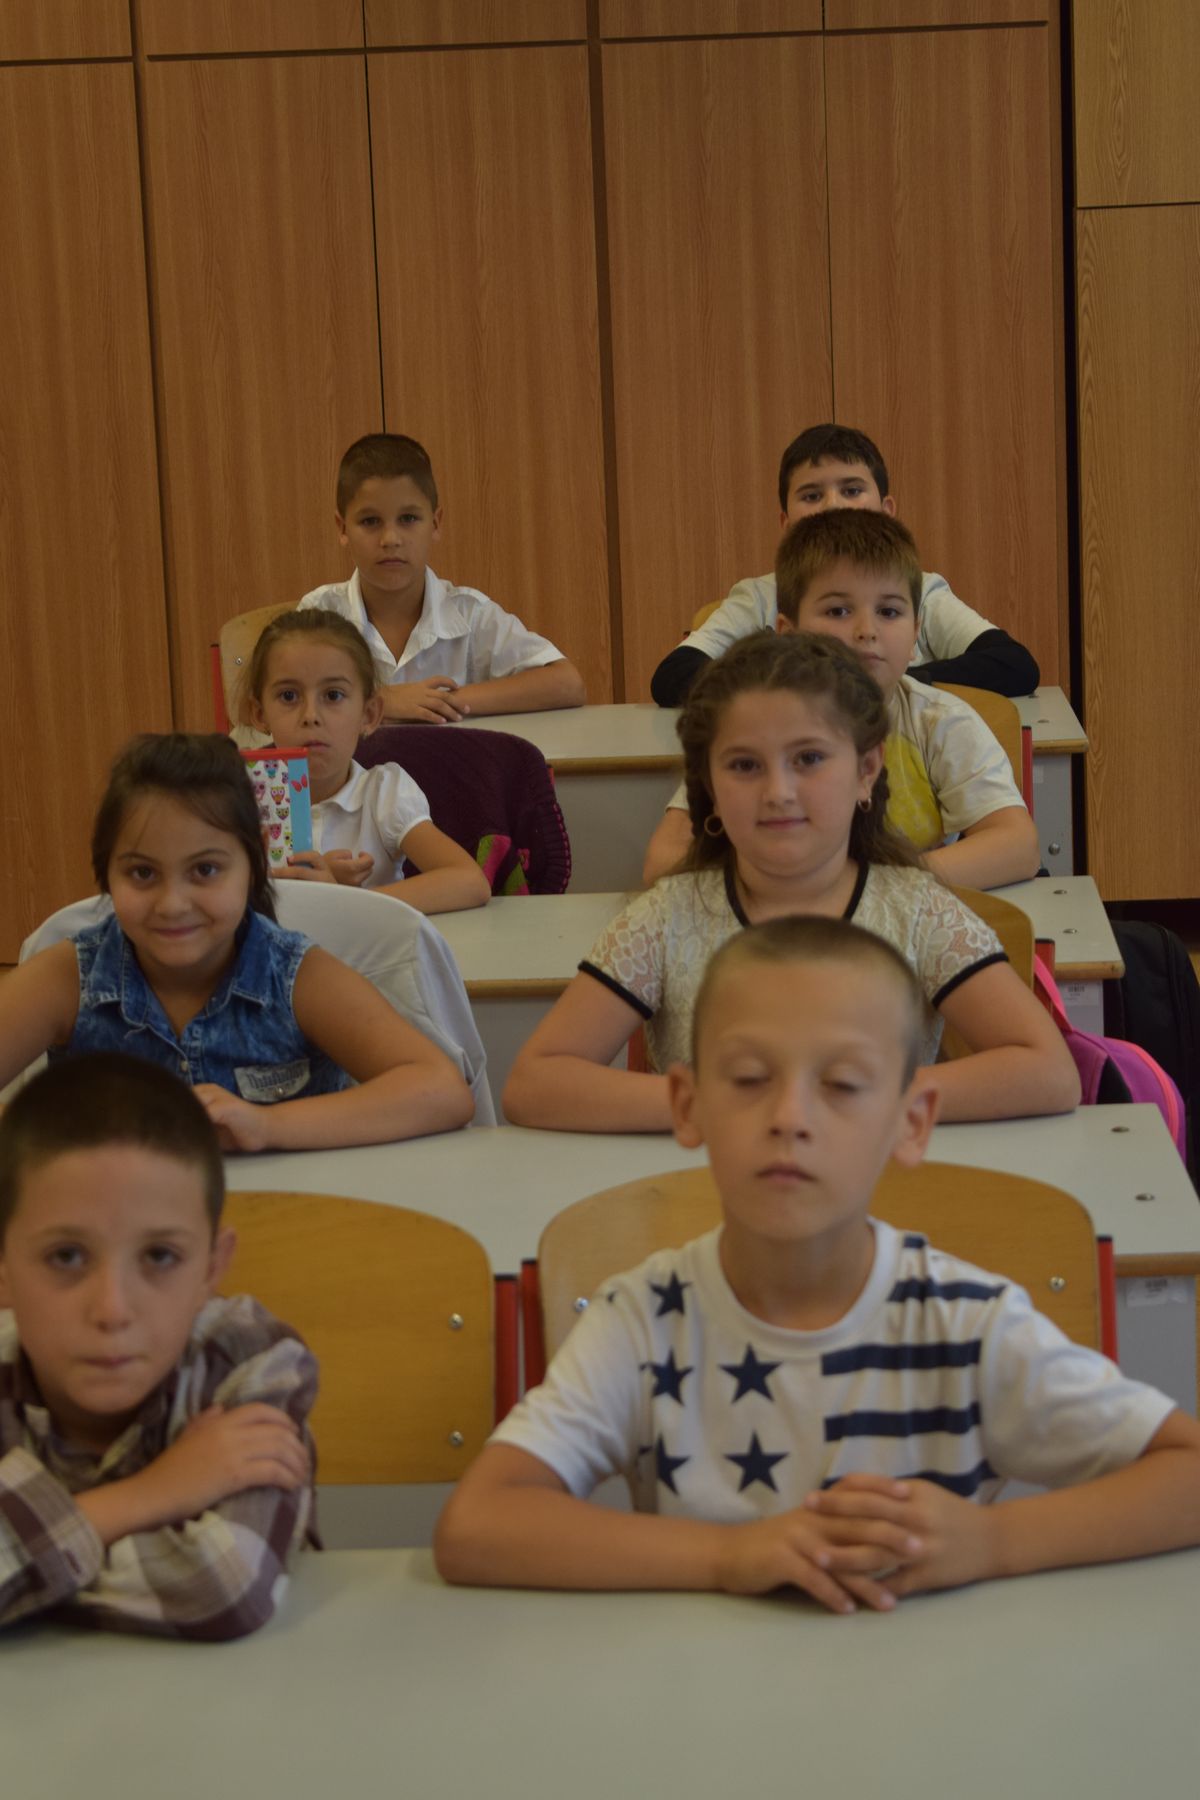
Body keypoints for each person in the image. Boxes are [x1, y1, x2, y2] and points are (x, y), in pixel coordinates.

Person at [437, 918, 1200, 1610]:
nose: (790, 1118)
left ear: (911, 1122)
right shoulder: (643, 1320)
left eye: (841, 1085)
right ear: (688, 1107)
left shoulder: (966, 1322)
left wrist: (990, 1542)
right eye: (749, 1079)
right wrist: (730, 1555)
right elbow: (479, 1524)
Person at [502, 632, 1077, 1132]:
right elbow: (534, 1082)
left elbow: (1048, 1071)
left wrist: (862, 1101)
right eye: (745, 765)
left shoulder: (917, 910)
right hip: (707, 1198)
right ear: (709, 787)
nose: (778, 792)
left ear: (866, 771)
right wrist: (719, 1105)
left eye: (808, 759)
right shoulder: (664, 918)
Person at [0, 733, 474, 1151]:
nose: (173, 904)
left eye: (205, 870)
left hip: (295, 1213)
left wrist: (265, 1126)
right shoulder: (72, 977)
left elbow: (442, 1090)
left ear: (254, 864)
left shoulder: (294, 976)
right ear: (106, 873)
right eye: (142, 873)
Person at [0, 1054, 318, 1637]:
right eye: (66, 1256)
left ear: (211, 1269)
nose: (112, 1310)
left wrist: (24, 1573)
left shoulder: (251, 1361)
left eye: (159, 1256)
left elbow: (224, 1585)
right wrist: (153, 1494)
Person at [644, 509, 1040, 886]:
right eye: (838, 611)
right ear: (788, 631)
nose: (867, 630)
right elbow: (663, 860)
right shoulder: (747, 726)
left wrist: (868, 887)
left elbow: (1017, 846)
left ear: (915, 632)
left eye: (889, 611)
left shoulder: (940, 722)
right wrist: (786, 888)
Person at [649, 421, 1039, 707]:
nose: (833, 505)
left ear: (886, 510)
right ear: (786, 523)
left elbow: (1014, 665)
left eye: (851, 490)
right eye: (811, 495)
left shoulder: (920, 590)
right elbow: (676, 675)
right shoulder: (760, 596)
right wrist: (804, 684)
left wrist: (891, 680)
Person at [298, 432, 585, 722]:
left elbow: (567, 683)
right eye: (370, 521)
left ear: (435, 524)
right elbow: (287, 699)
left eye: (408, 518)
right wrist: (383, 700)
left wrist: (438, 701)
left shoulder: (470, 615)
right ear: (342, 528)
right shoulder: (319, 615)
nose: (391, 539)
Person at [246, 607, 490, 913]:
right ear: (260, 714)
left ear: (369, 714)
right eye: (288, 696)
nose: (310, 716)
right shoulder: (237, 799)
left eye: (333, 695)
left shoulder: (384, 792)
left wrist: (344, 901)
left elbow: (469, 882)